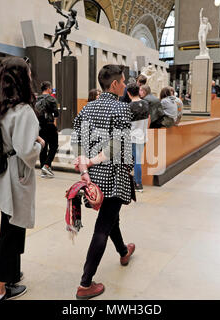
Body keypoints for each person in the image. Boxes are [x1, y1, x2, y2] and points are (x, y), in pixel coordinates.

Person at [0, 57, 45, 300]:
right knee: (10, 229)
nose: (30, 78)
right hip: (15, 176)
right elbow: (26, 150)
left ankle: (12, 274)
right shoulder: (23, 110)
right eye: (27, 74)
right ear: (21, 79)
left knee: (12, 225)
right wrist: (40, 145)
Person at [71, 64, 135, 300]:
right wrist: (92, 160)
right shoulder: (121, 109)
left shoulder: (87, 109)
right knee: (103, 226)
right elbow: (117, 148)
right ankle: (85, 284)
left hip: (93, 181)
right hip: (114, 177)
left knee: (109, 219)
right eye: (124, 80)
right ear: (116, 84)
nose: (126, 84)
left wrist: (85, 167)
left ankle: (123, 251)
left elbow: (76, 138)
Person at [127, 83, 150, 192]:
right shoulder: (146, 104)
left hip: (133, 137)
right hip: (143, 136)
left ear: (128, 93)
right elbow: (149, 118)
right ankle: (136, 182)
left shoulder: (129, 107)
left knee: (134, 160)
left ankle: (137, 183)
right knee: (137, 159)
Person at [36, 81, 59, 178]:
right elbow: (56, 114)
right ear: (48, 88)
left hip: (39, 126)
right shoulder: (51, 99)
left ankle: (43, 171)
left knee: (43, 147)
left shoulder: (36, 99)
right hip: (50, 125)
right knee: (54, 146)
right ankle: (47, 165)